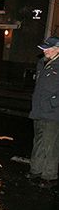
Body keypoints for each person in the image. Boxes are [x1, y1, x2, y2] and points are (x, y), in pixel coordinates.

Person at [26, 36, 59, 188]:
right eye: (44, 48)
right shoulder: (42, 63)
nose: (44, 50)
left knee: (50, 145)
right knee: (38, 141)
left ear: (57, 49)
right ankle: (36, 170)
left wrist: (54, 103)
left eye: (48, 48)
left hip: (53, 112)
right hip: (39, 110)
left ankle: (49, 176)